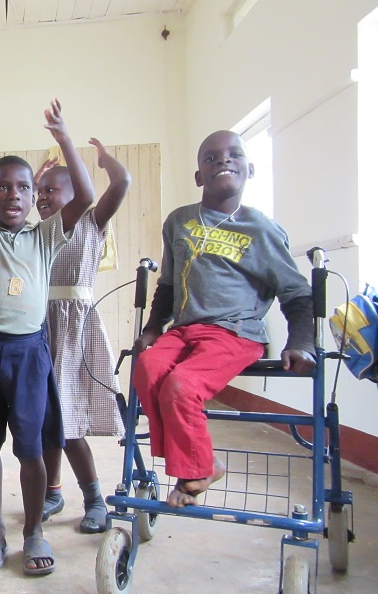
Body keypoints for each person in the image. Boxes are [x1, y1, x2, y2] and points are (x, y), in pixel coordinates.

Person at [133, 129, 315, 507]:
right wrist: (153, 328)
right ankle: (202, 463)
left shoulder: (260, 229)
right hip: (184, 330)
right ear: (199, 176)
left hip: (234, 331)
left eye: (234, 155)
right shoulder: (179, 221)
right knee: (148, 369)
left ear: (251, 168)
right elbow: (167, 284)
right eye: (211, 158)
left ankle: (195, 468)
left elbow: (296, 293)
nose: (224, 161)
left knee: (181, 386)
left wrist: (301, 342)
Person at [0, 96, 94, 576]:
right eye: (2, 188)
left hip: (30, 356)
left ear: (35, 198)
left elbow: (87, 198)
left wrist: (65, 138)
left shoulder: (46, 238)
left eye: (23, 188)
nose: (13, 195)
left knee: (32, 448)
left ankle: (34, 530)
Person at [38, 138, 129, 533]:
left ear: (76, 194)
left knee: (70, 422)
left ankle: (94, 498)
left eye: (50, 190)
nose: (41, 197)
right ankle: (51, 492)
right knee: (45, 421)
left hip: (75, 330)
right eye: (39, 191)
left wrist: (95, 155)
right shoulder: (37, 232)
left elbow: (121, 181)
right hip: (40, 329)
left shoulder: (92, 223)